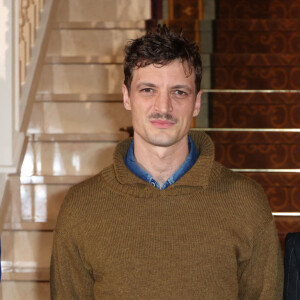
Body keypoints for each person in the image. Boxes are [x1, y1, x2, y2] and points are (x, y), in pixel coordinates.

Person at [50, 25, 284, 299]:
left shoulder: (246, 202)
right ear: (127, 97)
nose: (163, 107)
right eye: (148, 90)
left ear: (197, 102)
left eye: (179, 92)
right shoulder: (81, 207)